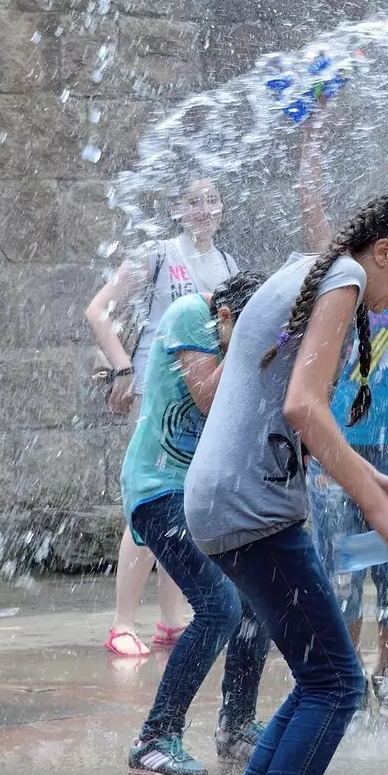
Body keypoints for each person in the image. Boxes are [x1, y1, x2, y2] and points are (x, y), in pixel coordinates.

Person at [184, 192, 388, 775]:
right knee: (335, 683)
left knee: (315, 679)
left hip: (225, 497)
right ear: (386, 250)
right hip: (250, 506)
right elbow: (306, 404)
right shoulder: (346, 279)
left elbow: (284, 408)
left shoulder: (318, 269)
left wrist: (374, 479)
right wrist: (374, 507)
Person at [121, 272, 271, 775]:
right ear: (229, 316)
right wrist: (247, 340)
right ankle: (155, 738)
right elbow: (209, 397)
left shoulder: (239, 333)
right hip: (158, 488)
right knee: (218, 607)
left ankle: (236, 726)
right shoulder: (191, 313)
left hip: (207, 492)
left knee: (257, 601)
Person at [298, 119, 388, 716]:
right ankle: (348, 676)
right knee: (340, 562)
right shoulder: (346, 285)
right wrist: (312, 148)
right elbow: (316, 218)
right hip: (339, 448)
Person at [84, 177, 236, 658]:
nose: (205, 209)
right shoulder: (157, 255)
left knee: (183, 507)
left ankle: (172, 618)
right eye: (195, 201)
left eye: (213, 199)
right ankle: (122, 623)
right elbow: (97, 311)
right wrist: (121, 367)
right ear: (177, 209)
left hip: (203, 399)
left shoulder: (230, 264)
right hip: (156, 395)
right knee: (150, 506)